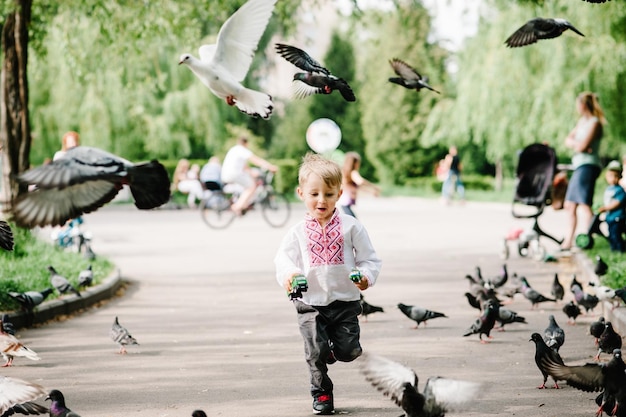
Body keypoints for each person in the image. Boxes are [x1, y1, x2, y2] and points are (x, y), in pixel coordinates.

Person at [274, 153, 382, 415]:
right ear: (301, 193)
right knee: (315, 351)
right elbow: (283, 260)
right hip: (310, 303)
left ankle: (335, 350)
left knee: (349, 351)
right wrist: (290, 276)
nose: (321, 200)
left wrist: (365, 277)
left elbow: (370, 259)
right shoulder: (297, 232)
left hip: (345, 301)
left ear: (339, 193)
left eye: (329, 194)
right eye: (314, 194)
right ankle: (322, 393)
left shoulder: (351, 226)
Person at [560, 92, 606, 251]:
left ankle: (588, 237)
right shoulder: (582, 122)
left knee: (584, 204)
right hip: (579, 165)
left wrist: (579, 145)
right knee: (569, 204)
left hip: (588, 166)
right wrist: (578, 145)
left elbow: (579, 146)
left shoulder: (595, 123)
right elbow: (569, 141)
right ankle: (569, 240)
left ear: (583, 105)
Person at [220, 137, 277, 215]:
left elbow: (244, 166)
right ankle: (237, 207)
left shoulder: (234, 149)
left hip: (226, 174)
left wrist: (251, 172)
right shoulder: (242, 150)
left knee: (247, 184)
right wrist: (270, 166)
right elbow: (256, 160)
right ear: (246, 144)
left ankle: (243, 205)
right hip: (234, 174)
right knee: (251, 187)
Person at [337, 151, 381, 218]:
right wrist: (374, 187)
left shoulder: (345, 172)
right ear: (354, 163)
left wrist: (371, 191)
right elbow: (360, 182)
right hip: (346, 201)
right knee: (354, 221)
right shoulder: (353, 173)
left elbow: (358, 187)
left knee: (351, 220)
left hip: (343, 201)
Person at [597, 160, 626, 252]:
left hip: (618, 217)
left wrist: (606, 208)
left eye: (616, 176)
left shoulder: (620, 190)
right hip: (610, 217)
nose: (613, 179)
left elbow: (617, 203)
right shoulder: (608, 189)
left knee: (616, 234)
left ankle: (620, 249)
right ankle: (613, 248)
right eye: (610, 176)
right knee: (611, 234)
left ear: (620, 177)